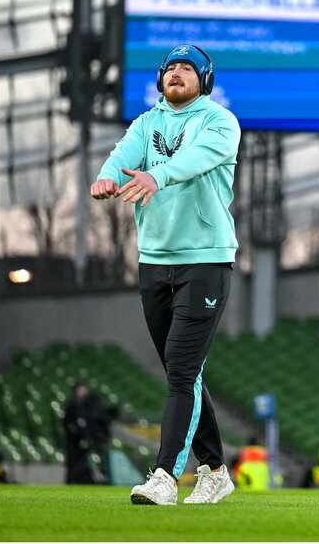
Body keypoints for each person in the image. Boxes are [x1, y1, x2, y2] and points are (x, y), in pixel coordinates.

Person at [91, 43, 240, 506]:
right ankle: (216, 471)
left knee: (180, 369)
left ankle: (165, 477)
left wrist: (157, 176)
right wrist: (107, 177)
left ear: (205, 81)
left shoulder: (219, 121)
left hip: (205, 259)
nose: (176, 73)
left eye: (186, 69)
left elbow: (192, 160)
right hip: (154, 260)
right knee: (184, 373)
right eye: (170, 68)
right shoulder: (146, 122)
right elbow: (121, 155)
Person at [63, 384, 116, 484]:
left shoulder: (91, 405)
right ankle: (73, 481)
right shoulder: (72, 407)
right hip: (75, 441)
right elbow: (68, 423)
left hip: (93, 438)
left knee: (99, 460)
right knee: (75, 463)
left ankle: (102, 479)